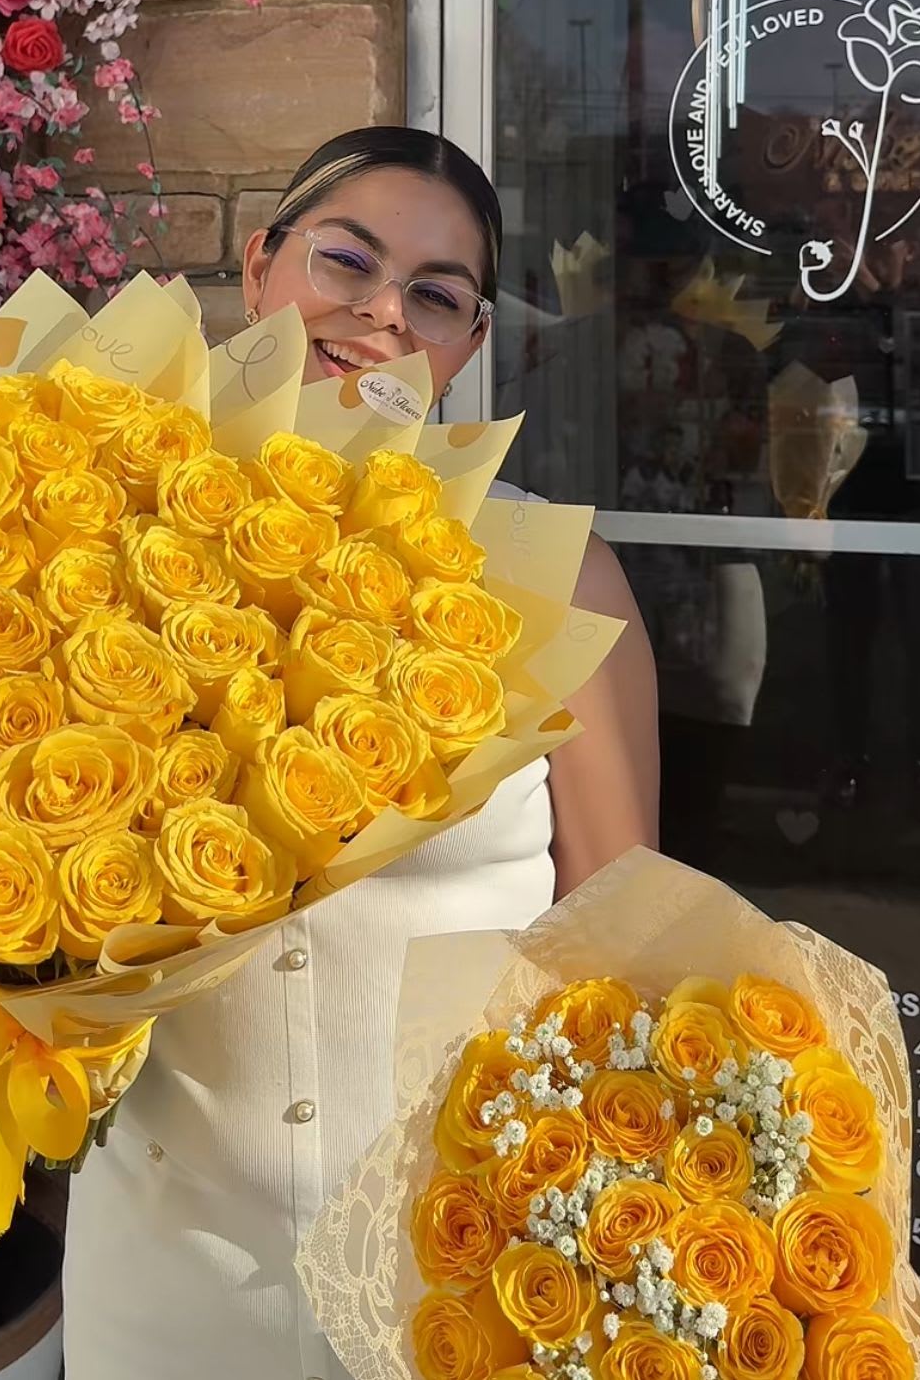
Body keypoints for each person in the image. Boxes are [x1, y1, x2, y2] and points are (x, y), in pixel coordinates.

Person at [63, 126, 658, 1380]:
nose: (383, 313)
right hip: (166, 1265)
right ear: (261, 266)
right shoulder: (95, 546)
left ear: (468, 345)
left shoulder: (557, 582)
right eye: (348, 261)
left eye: (436, 295)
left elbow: (616, 934)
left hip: (455, 1266)